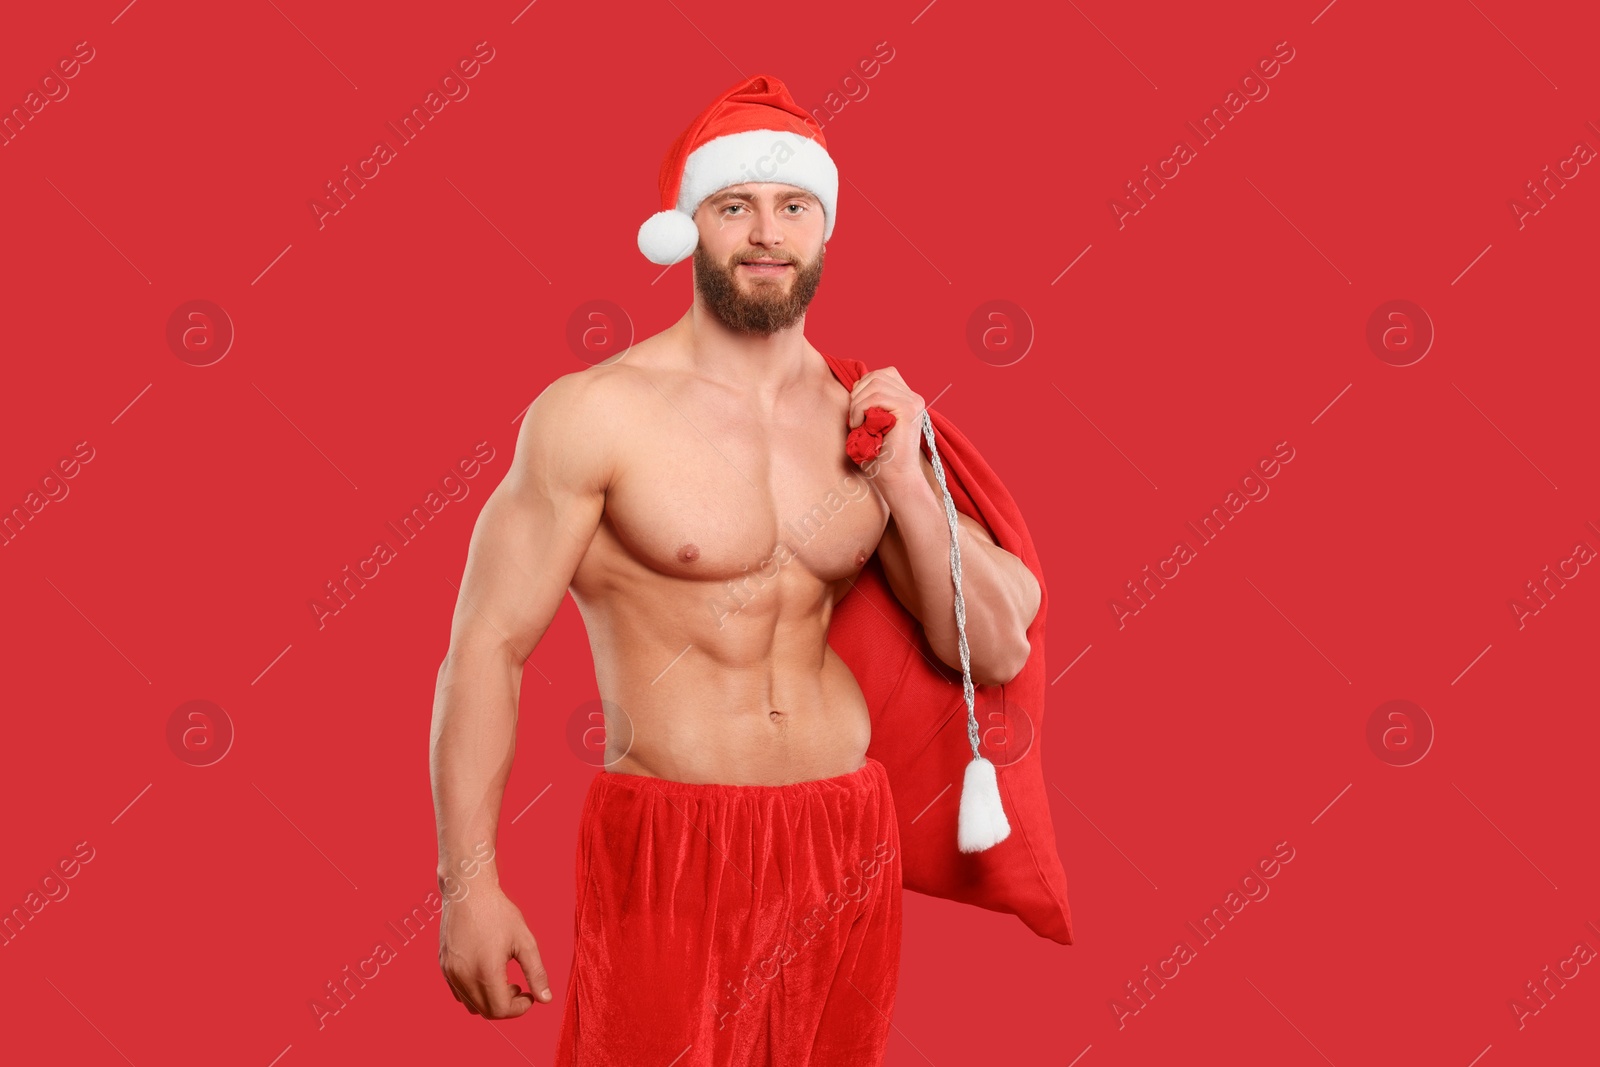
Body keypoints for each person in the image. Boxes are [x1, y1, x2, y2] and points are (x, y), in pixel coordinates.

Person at [428, 74, 1041, 1066]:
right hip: (671, 841)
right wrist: (470, 885)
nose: (766, 232)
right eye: (734, 206)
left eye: (792, 206)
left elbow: (994, 643)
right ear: (687, 228)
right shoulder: (595, 414)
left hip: (842, 831)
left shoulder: (865, 416)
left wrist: (909, 484)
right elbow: (486, 650)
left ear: (825, 228)